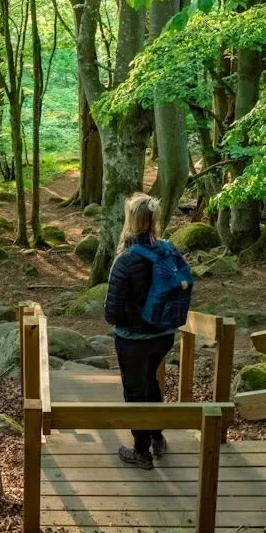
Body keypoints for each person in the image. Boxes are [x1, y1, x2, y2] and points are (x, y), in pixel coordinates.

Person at [103, 192, 175, 470]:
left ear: (131, 221)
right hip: (163, 337)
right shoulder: (168, 251)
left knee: (135, 392)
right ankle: (157, 437)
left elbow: (112, 313)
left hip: (133, 340)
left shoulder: (126, 260)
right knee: (152, 382)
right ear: (154, 220)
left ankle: (141, 452)